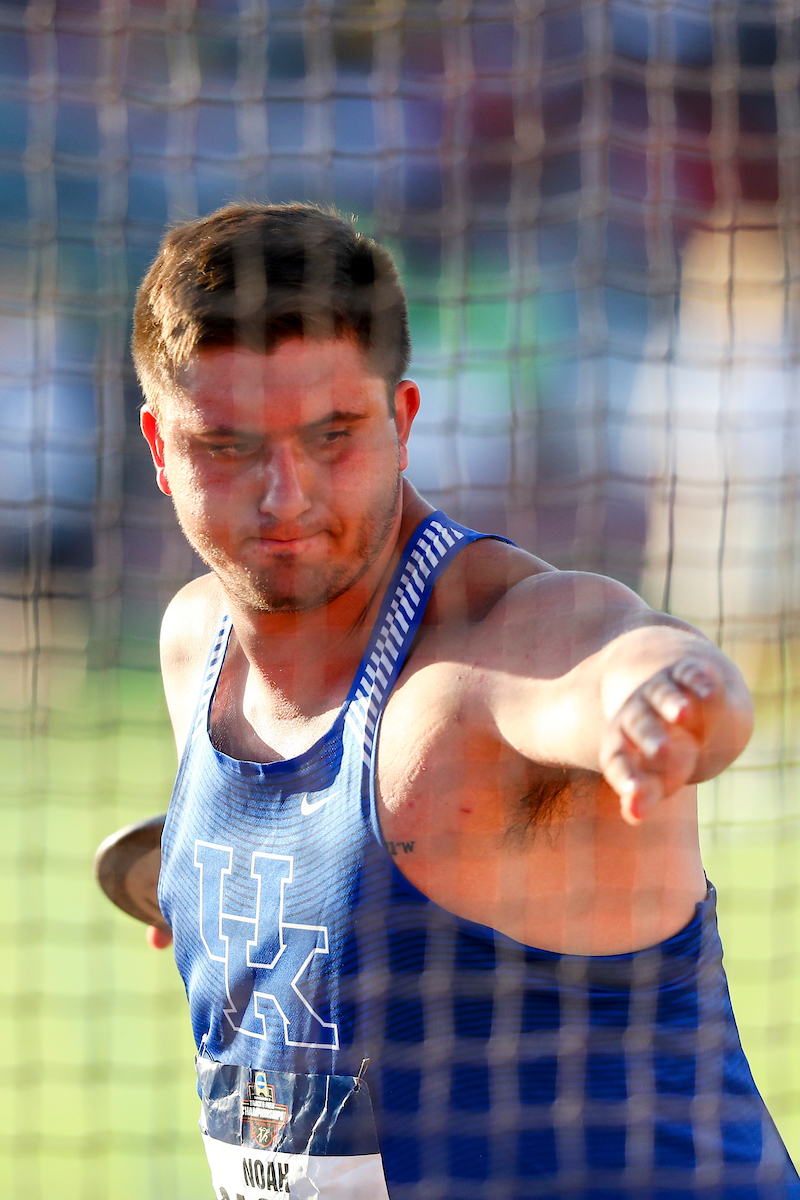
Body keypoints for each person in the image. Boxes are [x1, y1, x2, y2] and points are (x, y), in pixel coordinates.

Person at [131, 201, 799, 1199]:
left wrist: (671, 697)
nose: (285, 497)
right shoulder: (195, 646)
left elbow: (617, 654)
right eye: (225, 446)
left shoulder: (494, 652)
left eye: (331, 436)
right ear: (158, 445)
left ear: (401, 423)